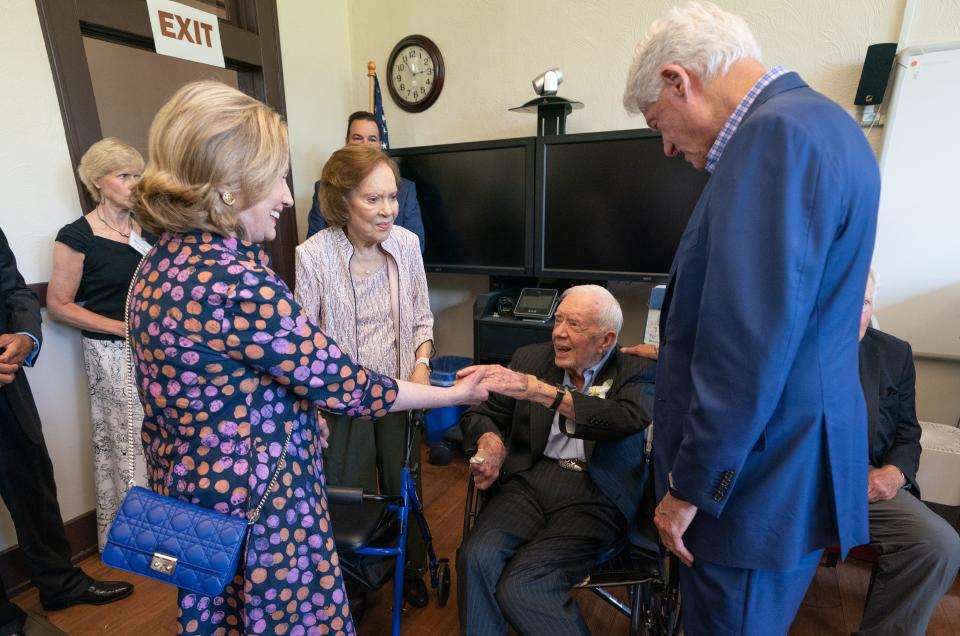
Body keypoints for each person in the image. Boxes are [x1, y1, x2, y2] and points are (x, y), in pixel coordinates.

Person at [129, 80, 499, 635]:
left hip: (194, 501)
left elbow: (244, 382)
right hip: (262, 513)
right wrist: (454, 393)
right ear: (230, 186)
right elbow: (344, 383)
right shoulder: (235, 280)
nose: (284, 195)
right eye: (276, 177)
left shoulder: (155, 266)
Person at [621, 2, 879, 633]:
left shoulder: (773, 137)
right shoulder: (829, 123)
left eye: (660, 122)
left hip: (749, 486)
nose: (666, 145)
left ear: (681, 81)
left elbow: (745, 345)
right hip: (790, 464)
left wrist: (688, 489)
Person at [456, 285, 656, 635]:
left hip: (596, 494)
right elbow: (482, 413)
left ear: (605, 340)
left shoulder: (635, 370)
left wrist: (541, 392)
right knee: (476, 558)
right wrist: (490, 440)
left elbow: (623, 419)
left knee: (524, 584)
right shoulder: (530, 358)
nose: (559, 332)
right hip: (531, 482)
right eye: (558, 319)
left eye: (574, 325)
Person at [295, 144, 434, 608]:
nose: (388, 210)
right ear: (342, 201)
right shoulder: (312, 256)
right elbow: (305, 340)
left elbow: (422, 319)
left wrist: (421, 367)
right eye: (373, 199)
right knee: (347, 493)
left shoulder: (407, 245)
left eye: (392, 197)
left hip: (399, 391)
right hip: (341, 401)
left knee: (403, 484)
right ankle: (351, 581)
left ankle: (409, 569)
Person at [0, 228, 133, 632]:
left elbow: (14, 288)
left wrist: (25, 335)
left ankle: (61, 583)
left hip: (5, 382)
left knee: (33, 485)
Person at [48, 137, 154, 550]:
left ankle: (169, 529)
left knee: (160, 438)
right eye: (124, 175)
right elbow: (59, 304)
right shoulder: (77, 236)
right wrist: (119, 328)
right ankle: (131, 540)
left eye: (138, 174)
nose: (134, 183)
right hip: (112, 353)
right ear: (98, 181)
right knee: (127, 442)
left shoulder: (148, 229)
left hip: (154, 351)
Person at [855, 271, 960, 635]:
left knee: (938, 545)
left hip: (864, 480)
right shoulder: (788, 347)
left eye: (864, 303)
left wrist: (895, 472)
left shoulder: (894, 353)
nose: (856, 314)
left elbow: (906, 432)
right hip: (798, 477)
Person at [306, 111, 425, 252]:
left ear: (380, 145)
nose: (364, 145)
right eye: (357, 138)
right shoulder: (326, 187)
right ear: (347, 142)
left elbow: (416, 246)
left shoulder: (406, 189)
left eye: (372, 139)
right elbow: (314, 244)